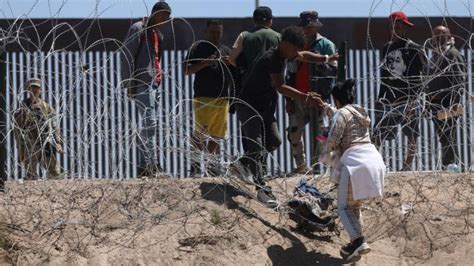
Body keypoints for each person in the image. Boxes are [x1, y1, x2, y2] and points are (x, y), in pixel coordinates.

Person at [230, 26, 337, 208]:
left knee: (274, 141)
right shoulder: (272, 59)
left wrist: (326, 58)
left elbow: (304, 55)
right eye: (294, 49)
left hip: (264, 108)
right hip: (248, 105)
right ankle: (261, 187)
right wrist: (305, 97)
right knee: (256, 144)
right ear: (286, 44)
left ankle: (242, 164)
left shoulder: (285, 54)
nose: (296, 53)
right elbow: (280, 87)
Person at [317, 79, 385, 263]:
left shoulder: (341, 113)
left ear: (337, 100)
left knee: (343, 207)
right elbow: (344, 118)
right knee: (355, 207)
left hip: (355, 163)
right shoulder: (360, 112)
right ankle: (354, 247)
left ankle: (358, 241)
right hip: (373, 161)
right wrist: (330, 111)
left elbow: (332, 139)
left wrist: (324, 154)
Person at [120, 1, 172, 177]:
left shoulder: (156, 33)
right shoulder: (139, 28)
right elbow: (126, 55)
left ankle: (148, 164)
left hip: (154, 83)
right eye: (165, 17)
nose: (166, 21)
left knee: (152, 125)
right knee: (150, 123)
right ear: (157, 14)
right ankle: (149, 164)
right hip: (141, 82)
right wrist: (129, 83)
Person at [286, 11, 337, 174]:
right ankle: (301, 166)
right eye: (304, 26)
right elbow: (290, 72)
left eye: (310, 26)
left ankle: (323, 167)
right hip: (298, 96)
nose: (307, 29)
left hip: (318, 98)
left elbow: (334, 70)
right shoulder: (297, 45)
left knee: (322, 136)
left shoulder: (326, 44)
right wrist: (288, 99)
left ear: (316, 26)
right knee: (294, 133)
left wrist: (320, 62)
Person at [374, 11, 425, 171]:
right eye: (392, 26)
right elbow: (384, 75)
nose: (395, 30)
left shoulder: (413, 49)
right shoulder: (386, 48)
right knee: (378, 133)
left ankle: (407, 166)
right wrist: (380, 97)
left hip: (407, 98)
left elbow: (419, 78)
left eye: (398, 26)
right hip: (389, 98)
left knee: (411, 133)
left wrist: (413, 100)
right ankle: (378, 164)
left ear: (405, 28)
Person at [184, 19, 233, 176]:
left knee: (217, 135)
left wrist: (229, 63)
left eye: (218, 32)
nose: (215, 35)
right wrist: (206, 63)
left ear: (222, 32)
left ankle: (212, 166)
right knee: (201, 132)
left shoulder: (226, 50)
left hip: (223, 98)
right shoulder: (198, 48)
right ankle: (196, 166)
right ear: (206, 32)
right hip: (204, 97)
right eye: (212, 32)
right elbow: (186, 70)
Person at [426, 25, 467, 170]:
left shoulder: (452, 54)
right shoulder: (435, 56)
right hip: (435, 104)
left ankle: (451, 165)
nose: (438, 38)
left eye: (442, 35)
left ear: (449, 37)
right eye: (435, 35)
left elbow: (459, 81)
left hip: (448, 102)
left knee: (448, 134)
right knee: (443, 135)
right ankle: (448, 164)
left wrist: (455, 103)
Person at [13, 78, 63, 180]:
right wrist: (21, 148)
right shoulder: (23, 107)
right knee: (30, 174)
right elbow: (17, 129)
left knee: (54, 172)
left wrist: (58, 142)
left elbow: (54, 125)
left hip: (46, 141)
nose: (34, 90)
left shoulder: (46, 107)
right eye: (32, 88)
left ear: (40, 90)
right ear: (28, 89)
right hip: (30, 143)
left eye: (37, 88)